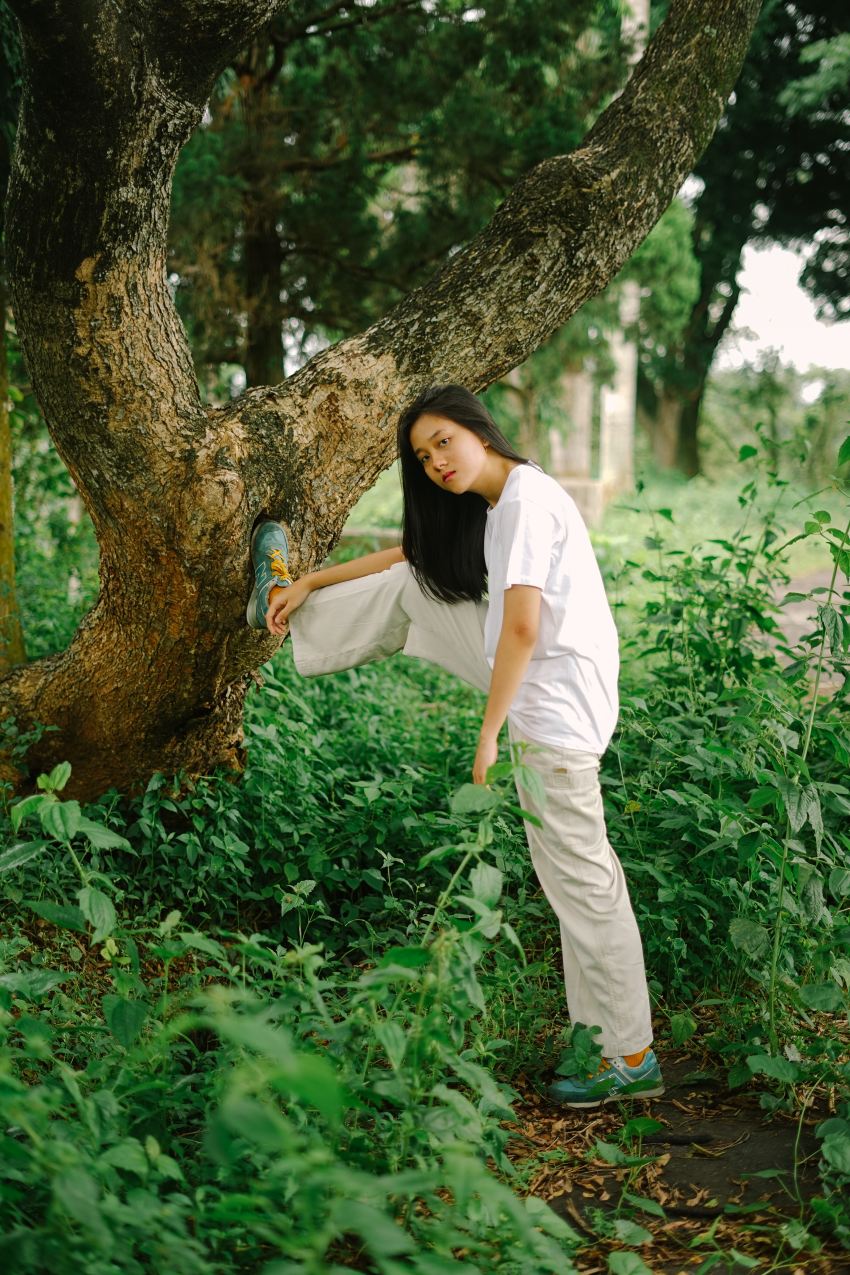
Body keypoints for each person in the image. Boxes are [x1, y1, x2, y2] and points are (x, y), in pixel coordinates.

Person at [246, 384, 663, 1109]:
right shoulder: (504, 503)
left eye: (444, 441)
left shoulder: (527, 502)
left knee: (584, 887)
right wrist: (312, 577)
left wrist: (489, 729)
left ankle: (627, 1053)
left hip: (551, 713)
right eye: (422, 454)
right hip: (543, 689)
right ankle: (286, 603)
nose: (436, 461)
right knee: (416, 585)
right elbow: (416, 554)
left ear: (479, 429)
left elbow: (525, 627)